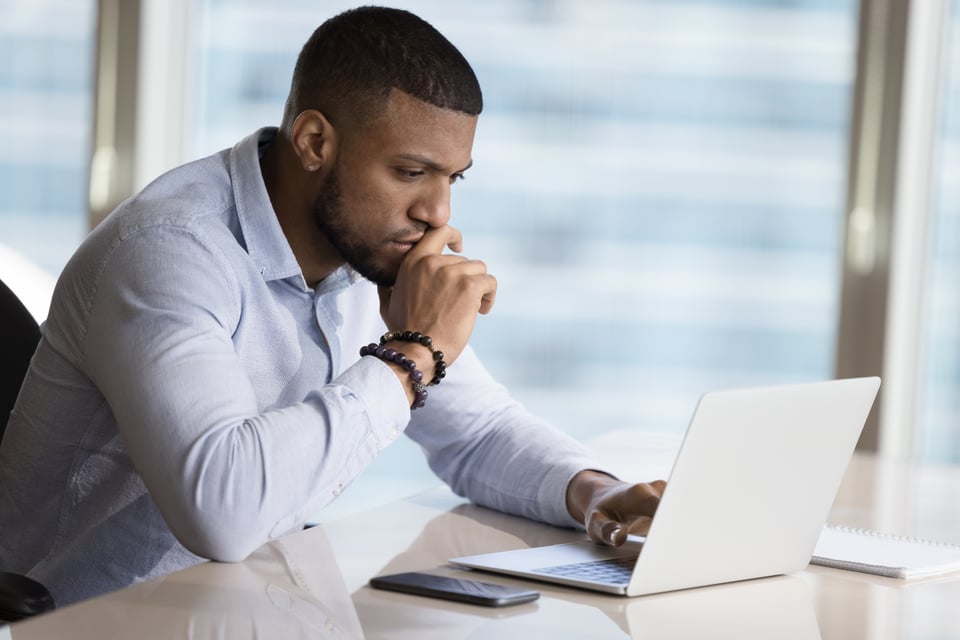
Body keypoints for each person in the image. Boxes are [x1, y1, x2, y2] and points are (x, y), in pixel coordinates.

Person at [0, 6, 665, 606]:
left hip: (248, 607)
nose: (438, 212)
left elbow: (479, 431)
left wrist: (594, 492)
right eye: (410, 173)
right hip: (91, 621)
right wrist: (410, 353)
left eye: (451, 177)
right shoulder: (169, 253)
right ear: (316, 143)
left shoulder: (363, 253)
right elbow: (222, 513)